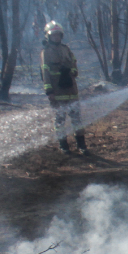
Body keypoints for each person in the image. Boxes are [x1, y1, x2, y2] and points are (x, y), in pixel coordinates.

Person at [41, 20, 87, 154]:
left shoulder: (66, 49)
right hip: (57, 91)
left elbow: (74, 66)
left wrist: (71, 71)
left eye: (58, 35)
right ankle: (64, 146)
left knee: (77, 119)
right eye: (53, 35)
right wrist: (49, 91)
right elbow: (45, 72)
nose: (56, 37)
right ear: (48, 36)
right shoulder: (46, 52)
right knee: (60, 120)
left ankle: (81, 145)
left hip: (71, 90)